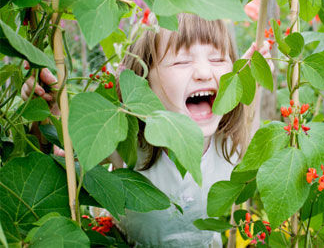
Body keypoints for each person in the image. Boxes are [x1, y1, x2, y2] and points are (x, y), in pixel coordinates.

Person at [22, 13, 272, 247]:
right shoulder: (128, 137)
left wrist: (251, 76)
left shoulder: (233, 141)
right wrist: (53, 111)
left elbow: (248, 107)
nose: (205, 73)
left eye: (217, 59)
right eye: (182, 61)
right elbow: (63, 162)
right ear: (144, 81)